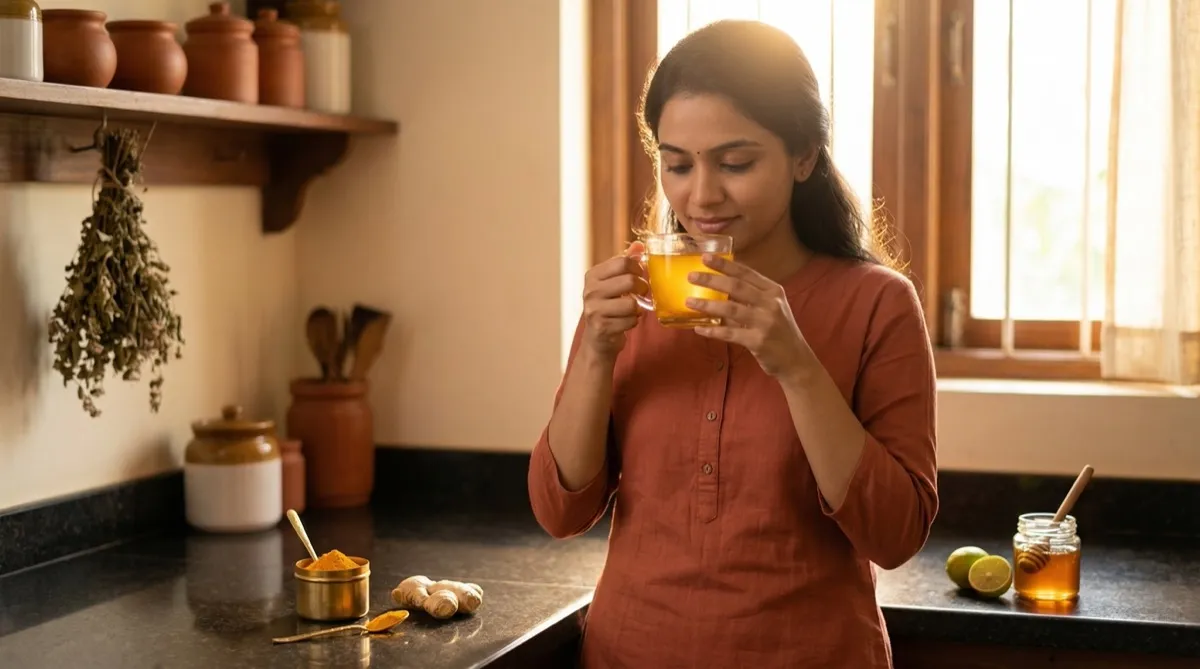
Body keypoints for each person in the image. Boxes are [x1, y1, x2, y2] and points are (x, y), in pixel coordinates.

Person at [527, 19, 938, 669]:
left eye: (735, 162)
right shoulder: (636, 291)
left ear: (803, 155)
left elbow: (896, 534)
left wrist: (796, 364)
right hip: (628, 652)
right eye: (677, 164)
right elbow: (559, 510)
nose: (701, 195)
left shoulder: (878, 303)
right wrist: (595, 352)